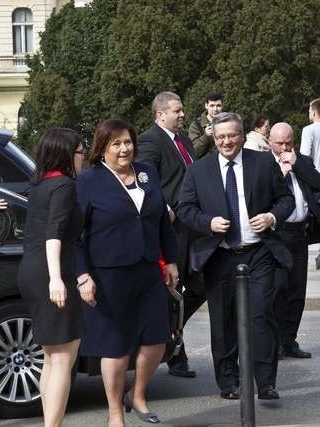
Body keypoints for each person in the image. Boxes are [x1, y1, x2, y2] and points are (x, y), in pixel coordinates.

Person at [177, 112, 295, 401]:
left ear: (242, 135)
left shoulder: (263, 162)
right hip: (220, 255)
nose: (226, 141)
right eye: (220, 137)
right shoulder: (198, 170)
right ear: (214, 139)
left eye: (232, 135)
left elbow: (286, 200)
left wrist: (271, 217)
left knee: (261, 316)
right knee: (223, 320)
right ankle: (228, 381)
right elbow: (184, 208)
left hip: (259, 252)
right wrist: (208, 223)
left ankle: (265, 382)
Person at [76, 119, 179, 427]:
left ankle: (138, 395)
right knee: (116, 346)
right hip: (109, 274)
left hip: (148, 269)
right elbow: (75, 235)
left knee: (156, 339)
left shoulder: (147, 172)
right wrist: (83, 276)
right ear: (102, 149)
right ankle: (115, 411)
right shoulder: (89, 180)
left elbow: (161, 219)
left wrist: (170, 260)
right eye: (116, 144)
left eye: (128, 142)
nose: (124, 149)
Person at [17, 128, 91, 427]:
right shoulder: (63, 186)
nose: (83, 157)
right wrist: (57, 278)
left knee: (51, 356)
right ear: (66, 153)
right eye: (80, 151)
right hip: (52, 272)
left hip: (31, 271)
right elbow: (54, 235)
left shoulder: (38, 184)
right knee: (62, 358)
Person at [137, 91, 204, 379]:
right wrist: (163, 207)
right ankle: (176, 353)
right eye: (177, 111)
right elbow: (146, 179)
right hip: (171, 227)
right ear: (159, 114)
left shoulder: (184, 140)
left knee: (198, 288)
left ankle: (173, 338)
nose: (182, 115)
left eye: (182, 110)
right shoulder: (150, 140)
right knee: (172, 290)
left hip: (193, 225)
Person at [268, 123, 320, 359]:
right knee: (277, 289)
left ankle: (289, 340)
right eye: (279, 143)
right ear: (269, 141)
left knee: (296, 291)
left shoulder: (301, 160)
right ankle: (274, 343)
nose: (284, 147)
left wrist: (297, 164)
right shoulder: (262, 164)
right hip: (277, 234)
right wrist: (279, 175)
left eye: (288, 142)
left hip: (299, 233)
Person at [188, 91, 224, 158]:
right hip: (205, 165)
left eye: (218, 106)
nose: (215, 109)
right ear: (206, 106)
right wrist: (205, 137)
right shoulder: (196, 125)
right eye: (212, 106)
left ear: (222, 106)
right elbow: (194, 153)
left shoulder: (228, 122)